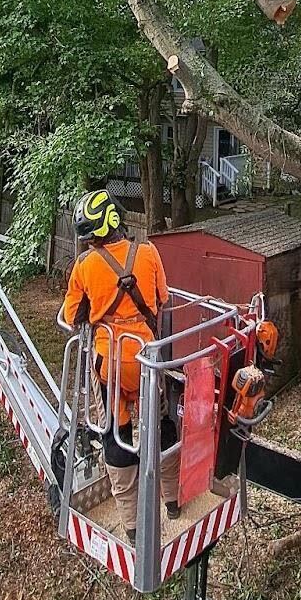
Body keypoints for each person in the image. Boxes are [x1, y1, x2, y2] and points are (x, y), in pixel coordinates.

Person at [62, 189, 181, 544]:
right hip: (147, 362)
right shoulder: (148, 253)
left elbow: (73, 316)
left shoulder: (84, 266)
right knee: (160, 424)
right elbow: (161, 298)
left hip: (108, 366)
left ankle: (130, 524)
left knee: (116, 432)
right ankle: (171, 501)